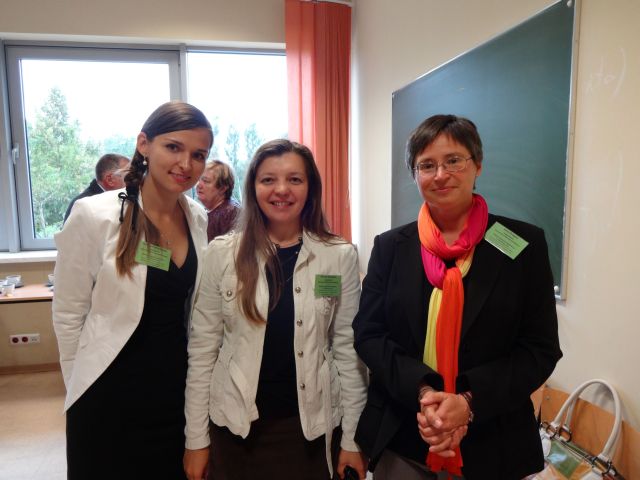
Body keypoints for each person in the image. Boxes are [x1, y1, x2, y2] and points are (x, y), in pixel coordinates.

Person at [353, 115, 562, 480]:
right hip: (404, 434)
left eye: (453, 161)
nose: (440, 175)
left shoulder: (523, 246)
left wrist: (467, 402)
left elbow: (539, 349)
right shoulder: (390, 247)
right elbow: (369, 334)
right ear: (415, 174)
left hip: (495, 443)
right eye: (427, 165)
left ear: (477, 165)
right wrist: (423, 392)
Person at [183, 139, 368, 480]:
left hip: (310, 431)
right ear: (253, 188)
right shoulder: (221, 254)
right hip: (234, 428)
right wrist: (196, 439)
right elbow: (203, 350)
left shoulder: (338, 256)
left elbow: (347, 350)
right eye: (268, 180)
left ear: (310, 188)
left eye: (295, 179)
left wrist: (353, 439)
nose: (281, 189)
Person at [52, 101, 213, 479]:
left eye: (198, 155)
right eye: (173, 147)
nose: (186, 164)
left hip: (172, 395)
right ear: (144, 144)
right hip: (107, 398)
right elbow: (68, 312)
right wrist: (79, 387)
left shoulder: (196, 217)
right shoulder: (95, 215)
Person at [63, 153, 130, 222]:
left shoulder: (121, 200)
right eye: (129, 176)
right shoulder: (84, 206)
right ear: (110, 180)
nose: (134, 181)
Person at [196, 159, 241, 241]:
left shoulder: (230, 212)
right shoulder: (207, 211)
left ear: (222, 188)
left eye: (206, 181)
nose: (199, 185)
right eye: (199, 179)